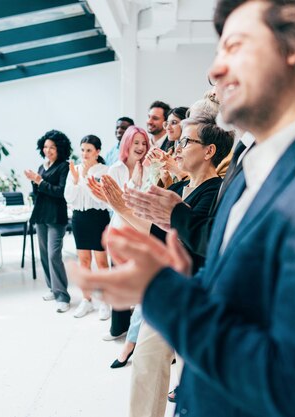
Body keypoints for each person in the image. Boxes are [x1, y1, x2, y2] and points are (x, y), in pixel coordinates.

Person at [70, 1, 295, 416]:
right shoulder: (250, 170)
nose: (215, 70)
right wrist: (178, 280)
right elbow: (237, 309)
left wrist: (161, 292)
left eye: (233, 46)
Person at [92, 117, 233, 417]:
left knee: (190, 377)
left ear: (209, 151)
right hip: (168, 288)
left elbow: (192, 240)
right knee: (145, 362)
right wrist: (118, 204)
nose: (178, 148)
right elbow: (154, 232)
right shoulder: (181, 185)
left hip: (193, 294)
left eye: (186, 142)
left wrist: (123, 206)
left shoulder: (215, 191)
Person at [100, 125, 150, 341]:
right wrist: (134, 181)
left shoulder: (150, 168)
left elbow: (146, 201)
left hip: (141, 229)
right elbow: (118, 203)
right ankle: (118, 327)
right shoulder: (115, 169)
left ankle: (139, 331)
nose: (140, 147)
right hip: (120, 228)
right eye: (136, 142)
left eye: (143, 143)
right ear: (127, 144)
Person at [24, 130, 72, 313]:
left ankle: (63, 296)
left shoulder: (64, 167)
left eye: (52, 147)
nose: (48, 150)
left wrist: (39, 181)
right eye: (45, 147)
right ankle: (53, 288)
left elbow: (60, 192)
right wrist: (34, 181)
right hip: (41, 215)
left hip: (56, 216)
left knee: (54, 255)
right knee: (44, 254)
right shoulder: (42, 166)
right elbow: (39, 193)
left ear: (60, 148)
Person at [64, 135, 111, 320]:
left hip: (98, 217)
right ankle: (86, 300)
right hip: (79, 218)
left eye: (89, 150)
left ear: (97, 152)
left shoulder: (104, 171)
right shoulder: (74, 170)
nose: (84, 153)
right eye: (82, 149)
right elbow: (69, 197)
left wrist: (82, 179)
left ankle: (105, 301)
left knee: (101, 262)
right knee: (83, 261)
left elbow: (100, 197)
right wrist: (76, 180)